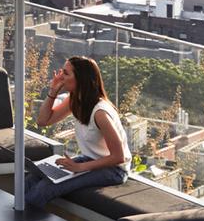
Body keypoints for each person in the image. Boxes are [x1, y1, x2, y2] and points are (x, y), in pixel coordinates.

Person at [23, 55, 131, 209]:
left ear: (81, 79)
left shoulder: (100, 113)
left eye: (66, 73)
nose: (60, 76)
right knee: (32, 178)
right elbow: (43, 121)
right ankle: (22, 215)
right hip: (90, 160)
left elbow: (119, 157)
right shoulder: (75, 100)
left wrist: (79, 167)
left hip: (113, 170)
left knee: (45, 188)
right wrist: (53, 91)